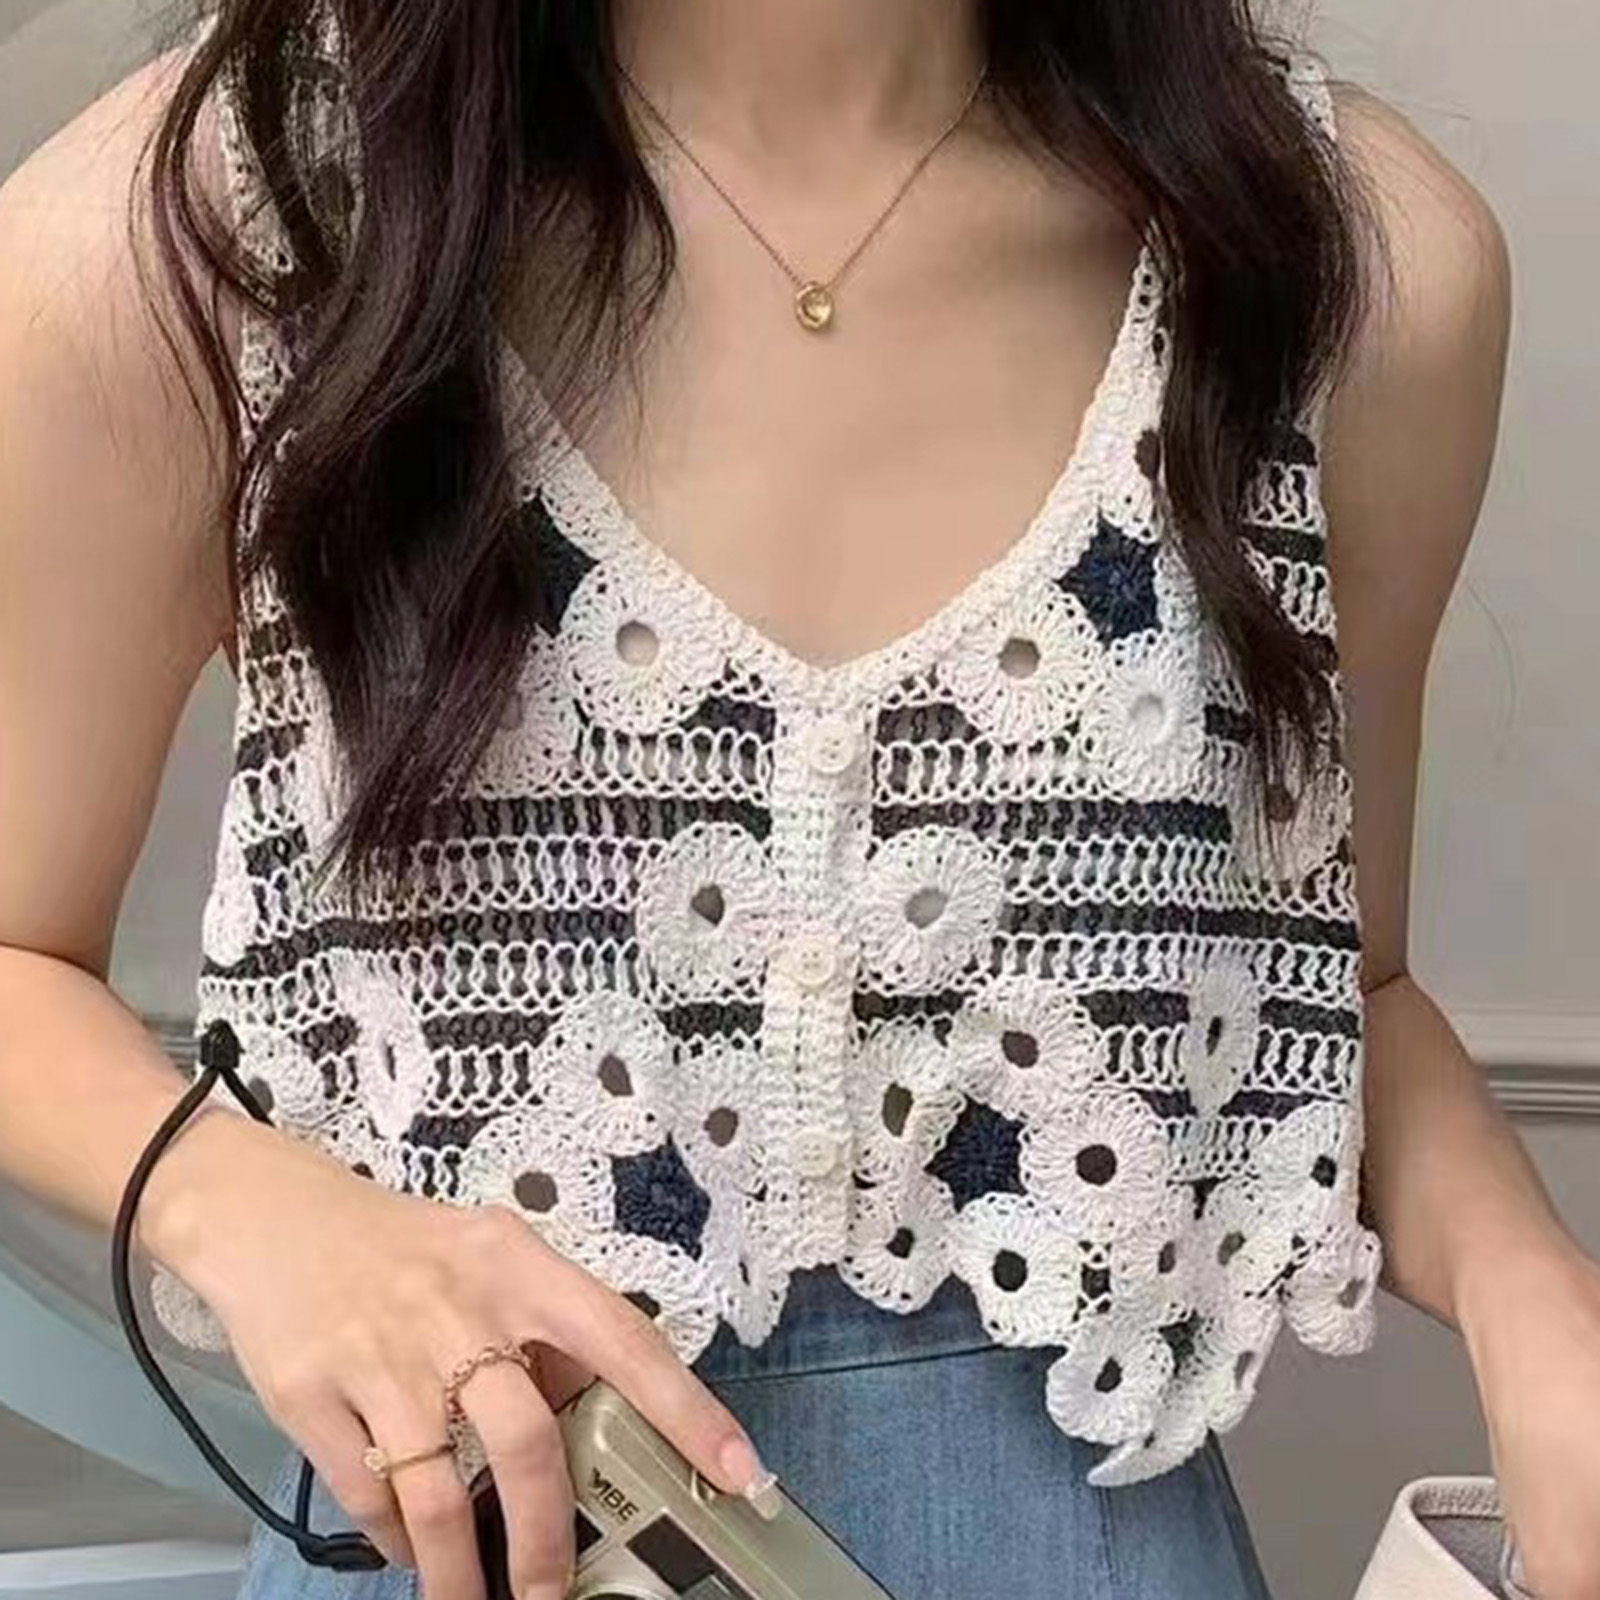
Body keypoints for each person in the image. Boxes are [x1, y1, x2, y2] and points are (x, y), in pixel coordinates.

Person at [2, 1, 1597, 1597]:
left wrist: (1536, 1301)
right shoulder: (222, 223)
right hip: (493, 1539)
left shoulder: (1341, 265)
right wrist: (247, 1207)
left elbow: (1342, 990)